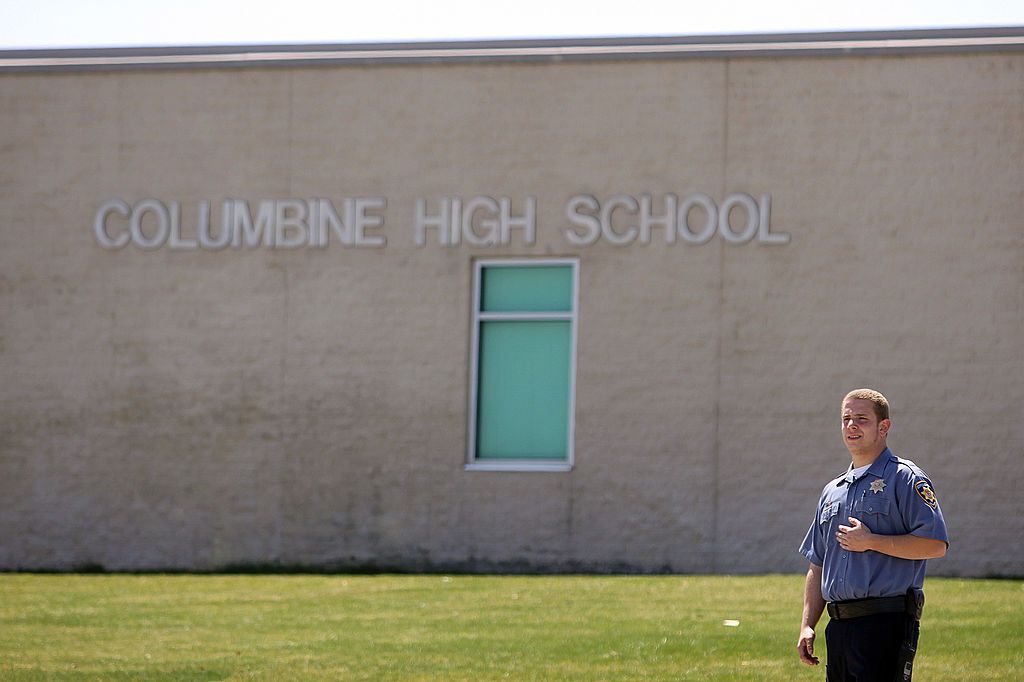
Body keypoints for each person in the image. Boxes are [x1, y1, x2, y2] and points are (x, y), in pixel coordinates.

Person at [797, 389, 948, 681]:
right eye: (846, 419)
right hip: (838, 627)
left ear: (884, 427)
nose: (851, 425)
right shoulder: (833, 491)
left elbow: (935, 544)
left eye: (862, 419)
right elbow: (818, 563)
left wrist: (871, 541)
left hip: (885, 624)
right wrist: (807, 624)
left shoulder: (905, 478)